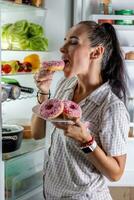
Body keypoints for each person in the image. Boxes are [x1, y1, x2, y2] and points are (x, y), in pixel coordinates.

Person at [31, 21, 130, 200]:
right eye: (65, 40)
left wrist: (86, 140)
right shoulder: (65, 85)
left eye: (73, 42)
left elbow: (116, 173)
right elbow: (38, 133)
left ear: (96, 52)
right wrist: (44, 92)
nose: (62, 48)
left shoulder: (111, 107)